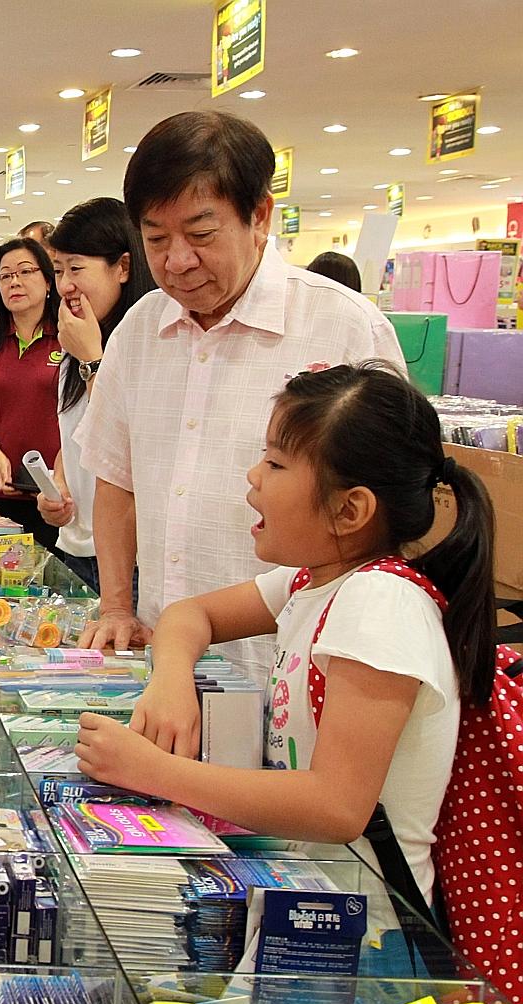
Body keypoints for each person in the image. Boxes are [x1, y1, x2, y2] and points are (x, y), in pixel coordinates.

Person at [76, 363, 493, 920]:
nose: (253, 476)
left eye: (275, 463)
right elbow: (189, 615)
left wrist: (149, 770)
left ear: (350, 510)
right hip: (306, 897)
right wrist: (171, 680)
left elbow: (336, 806)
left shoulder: (379, 606)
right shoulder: (317, 579)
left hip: (364, 929)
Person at [75, 110, 404, 684]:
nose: (177, 261)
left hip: (300, 669)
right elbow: (116, 482)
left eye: (201, 235)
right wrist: (118, 608)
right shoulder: (137, 331)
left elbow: (386, 513)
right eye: (156, 239)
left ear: (259, 217)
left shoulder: (345, 327)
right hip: (161, 662)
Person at [38, 198, 157, 592]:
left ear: (123, 267)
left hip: (130, 561)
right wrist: (58, 482)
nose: (65, 285)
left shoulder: (149, 343)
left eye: (77, 268)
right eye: (58, 270)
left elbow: (134, 446)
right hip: (74, 546)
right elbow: (77, 435)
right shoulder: (76, 344)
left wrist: (92, 358)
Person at [0, 238, 63, 550]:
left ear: (47, 281)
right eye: (5, 276)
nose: (14, 282)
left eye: (24, 272)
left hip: (55, 493)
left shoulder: (67, 335)